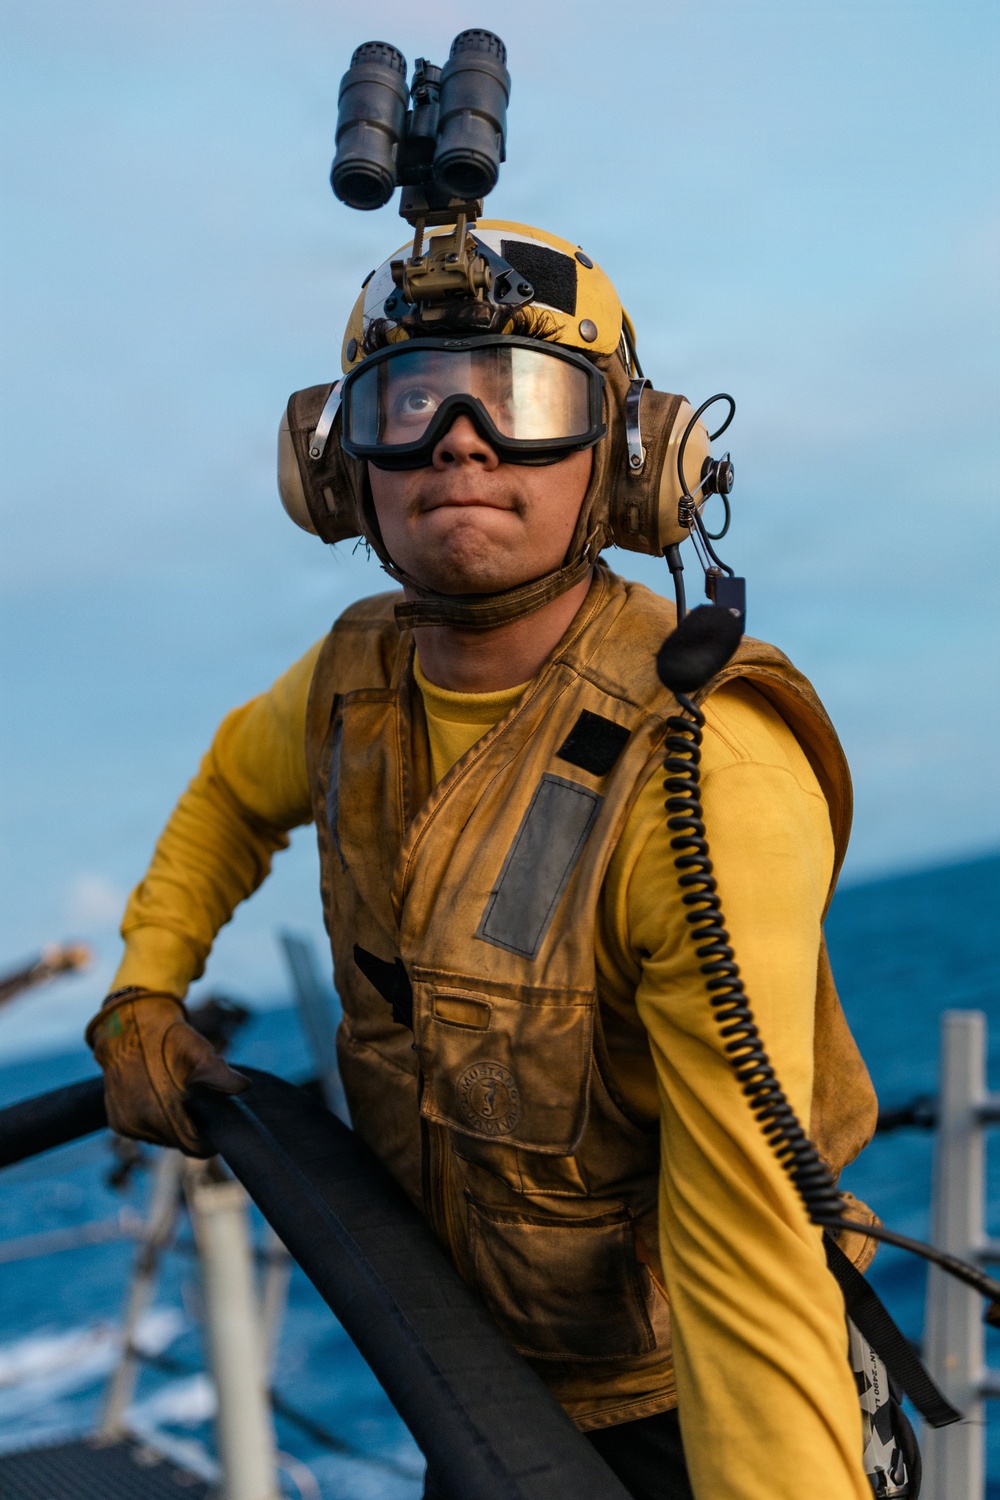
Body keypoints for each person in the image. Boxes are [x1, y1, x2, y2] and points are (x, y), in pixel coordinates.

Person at [86, 219, 880, 1500]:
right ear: (339, 467)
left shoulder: (708, 769)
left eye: (524, 398)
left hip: (685, 1410)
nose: (461, 439)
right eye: (410, 401)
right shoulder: (351, 679)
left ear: (632, 459)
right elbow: (231, 792)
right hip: (475, 1389)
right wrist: (145, 983)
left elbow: (749, 1257)